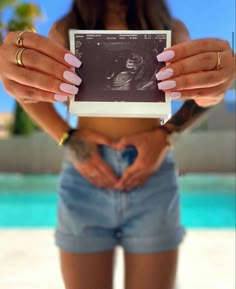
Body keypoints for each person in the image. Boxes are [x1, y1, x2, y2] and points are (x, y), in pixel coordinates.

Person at [0, 1, 235, 288]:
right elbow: (34, 93)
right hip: (86, 178)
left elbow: (199, 95)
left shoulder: (172, 29)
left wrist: (205, 92)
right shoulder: (64, 29)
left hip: (151, 176)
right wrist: (69, 138)